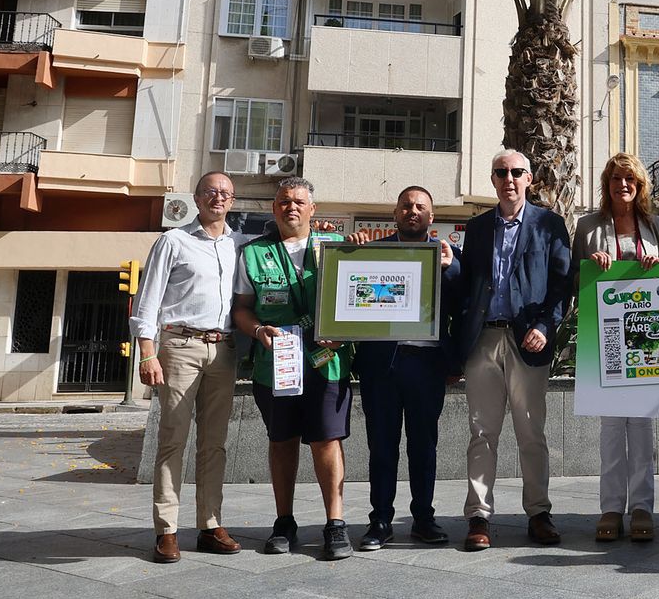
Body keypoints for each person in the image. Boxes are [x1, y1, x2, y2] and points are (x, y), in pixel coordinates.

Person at [454, 149, 573, 552]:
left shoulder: (549, 224)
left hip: (528, 340)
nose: (509, 179)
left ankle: (538, 512)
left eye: (517, 172)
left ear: (529, 179)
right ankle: (478, 516)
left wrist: (545, 325)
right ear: (493, 179)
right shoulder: (477, 228)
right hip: (483, 340)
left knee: (531, 432)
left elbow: (562, 284)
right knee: (482, 433)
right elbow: (467, 283)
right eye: (501, 172)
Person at [233, 177, 354, 560]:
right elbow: (241, 309)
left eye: (300, 201)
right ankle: (284, 522)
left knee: (327, 441)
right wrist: (257, 330)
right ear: (274, 208)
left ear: (312, 209)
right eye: (284, 201)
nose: (292, 207)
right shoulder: (253, 253)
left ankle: (335, 523)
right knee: (281, 441)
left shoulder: (336, 247)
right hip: (276, 365)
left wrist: (344, 333)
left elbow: (357, 300)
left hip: (327, 363)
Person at [132, 172, 244, 564]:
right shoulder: (173, 241)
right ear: (196, 198)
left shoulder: (238, 245)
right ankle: (166, 530)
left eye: (225, 193)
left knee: (214, 443)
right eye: (211, 191)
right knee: (173, 439)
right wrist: (147, 353)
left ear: (232, 201)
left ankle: (210, 525)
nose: (218, 198)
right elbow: (147, 301)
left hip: (224, 349)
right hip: (180, 346)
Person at [349, 186, 463, 550]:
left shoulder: (447, 254)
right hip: (381, 365)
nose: (412, 211)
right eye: (406, 206)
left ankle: (423, 519)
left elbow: (464, 303)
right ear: (395, 213)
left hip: (427, 365)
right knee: (382, 446)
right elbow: (351, 295)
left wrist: (448, 269)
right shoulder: (372, 252)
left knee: (423, 446)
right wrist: (351, 254)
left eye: (420, 207)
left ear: (431, 217)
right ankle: (380, 520)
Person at [572, 154, 659, 542]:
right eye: (616, 178)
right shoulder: (587, 227)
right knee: (612, 427)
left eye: (630, 179)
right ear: (607, 184)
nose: (623, 185)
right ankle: (611, 508)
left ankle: (643, 506)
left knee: (643, 426)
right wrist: (591, 263)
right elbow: (573, 278)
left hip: (648, 337)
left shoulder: (658, 226)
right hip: (605, 338)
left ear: (640, 185)